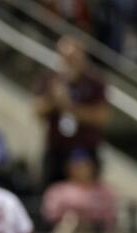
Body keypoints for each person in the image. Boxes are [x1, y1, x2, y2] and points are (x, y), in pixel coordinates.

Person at [34, 36, 109, 186]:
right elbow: (37, 110)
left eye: (73, 57)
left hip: (85, 150)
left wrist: (70, 107)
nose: (69, 61)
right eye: (65, 57)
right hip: (56, 149)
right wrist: (54, 100)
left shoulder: (94, 81)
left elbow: (102, 116)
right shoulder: (50, 78)